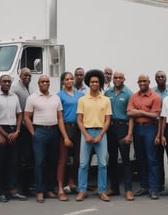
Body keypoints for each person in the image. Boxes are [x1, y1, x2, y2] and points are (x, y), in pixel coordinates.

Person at [24, 75, 69, 203]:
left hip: (54, 131)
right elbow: (26, 117)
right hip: (40, 132)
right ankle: (39, 191)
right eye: (42, 81)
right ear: (38, 84)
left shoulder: (55, 98)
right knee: (39, 162)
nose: (45, 83)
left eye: (47, 82)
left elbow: (60, 117)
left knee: (52, 161)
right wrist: (33, 133)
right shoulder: (32, 98)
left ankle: (49, 189)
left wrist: (62, 134)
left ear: (49, 84)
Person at [0, 74, 27, 203]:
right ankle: (1, 192)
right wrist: (4, 134)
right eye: (4, 81)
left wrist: (17, 131)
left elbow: (19, 114)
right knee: (0, 163)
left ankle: (13, 190)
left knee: (14, 162)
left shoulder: (14, 96)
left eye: (9, 82)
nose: (7, 83)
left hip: (13, 130)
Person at [75, 69, 112, 202]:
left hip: (101, 133)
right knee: (83, 164)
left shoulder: (106, 100)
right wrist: (86, 135)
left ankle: (102, 191)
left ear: (100, 83)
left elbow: (108, 120)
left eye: (97, 81)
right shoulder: (82, 100)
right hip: (86, 133)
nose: (94, 84)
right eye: (92, 82)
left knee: (102, 164)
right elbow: (79, 119)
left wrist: (101, 135)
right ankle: (82, 191)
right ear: (88, 83)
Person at [127, 74, 162, 200]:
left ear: (149, 82)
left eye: (144, 81)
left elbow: (155, 116)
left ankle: (154, 189)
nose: (142, 83)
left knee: (152, 159)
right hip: (138, 129)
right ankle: (144, 186)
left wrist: (140, 112)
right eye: (140, 81)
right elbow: (130, 113)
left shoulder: (155, 97)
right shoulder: (134, 96)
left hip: (150, 129)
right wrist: (143, 113)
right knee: (141, 159)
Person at [104, 71, 134, 201]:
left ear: (124, 79)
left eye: (120, 77)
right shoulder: (108, 93)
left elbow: (131, 116)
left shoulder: (129, 94)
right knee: (112, 159)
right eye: (115, 77)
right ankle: (114, 188)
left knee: (126, 161)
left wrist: (129, 134)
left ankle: (128, 190)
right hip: (110, 128)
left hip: (123, 127)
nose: (117, 79)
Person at [56, 72, 84, 201]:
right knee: (63, 160)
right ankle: (61, 188)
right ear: (63, 82)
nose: (69, 81)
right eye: (67, 79)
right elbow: (59, 117)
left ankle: (72, 183)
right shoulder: (59, 96)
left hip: (78, 129)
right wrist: (65, 136)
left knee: (78, 159)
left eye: (71, 79)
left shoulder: (80, 95)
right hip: (66, 128)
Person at [11, 68, 34, 193]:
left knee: (28, 157)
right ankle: (20, 187)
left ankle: (27, 185)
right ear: (20, 75)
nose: (28, 77)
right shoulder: (16, 90)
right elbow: (16, 110)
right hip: (21, 129)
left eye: (30, 75)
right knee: (20, 159)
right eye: (25, 75)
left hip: (29, 127)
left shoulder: (29, 88)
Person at [152, 70, 168, 192]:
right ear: (155, 79)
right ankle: (160, 184)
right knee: (157, 158)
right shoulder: (152, 92)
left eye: (162, 76)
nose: (160, 78)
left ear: (166, 78)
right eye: (158, 77)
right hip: (156, 127)